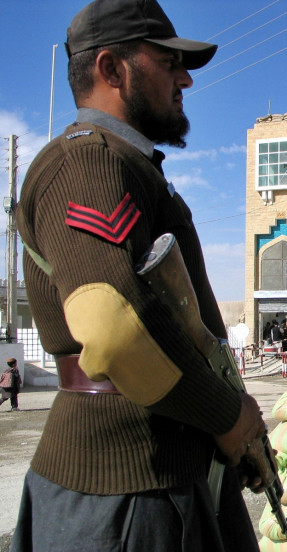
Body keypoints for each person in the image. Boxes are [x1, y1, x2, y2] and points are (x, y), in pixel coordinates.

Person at [11, 1, 267, 550]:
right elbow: (111, 325)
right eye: (168, 60)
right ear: (111, 69)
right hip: (124, 491)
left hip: (159, 477)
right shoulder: (87, 162)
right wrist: (226, 415)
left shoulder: (130, 166)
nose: (186, 77)